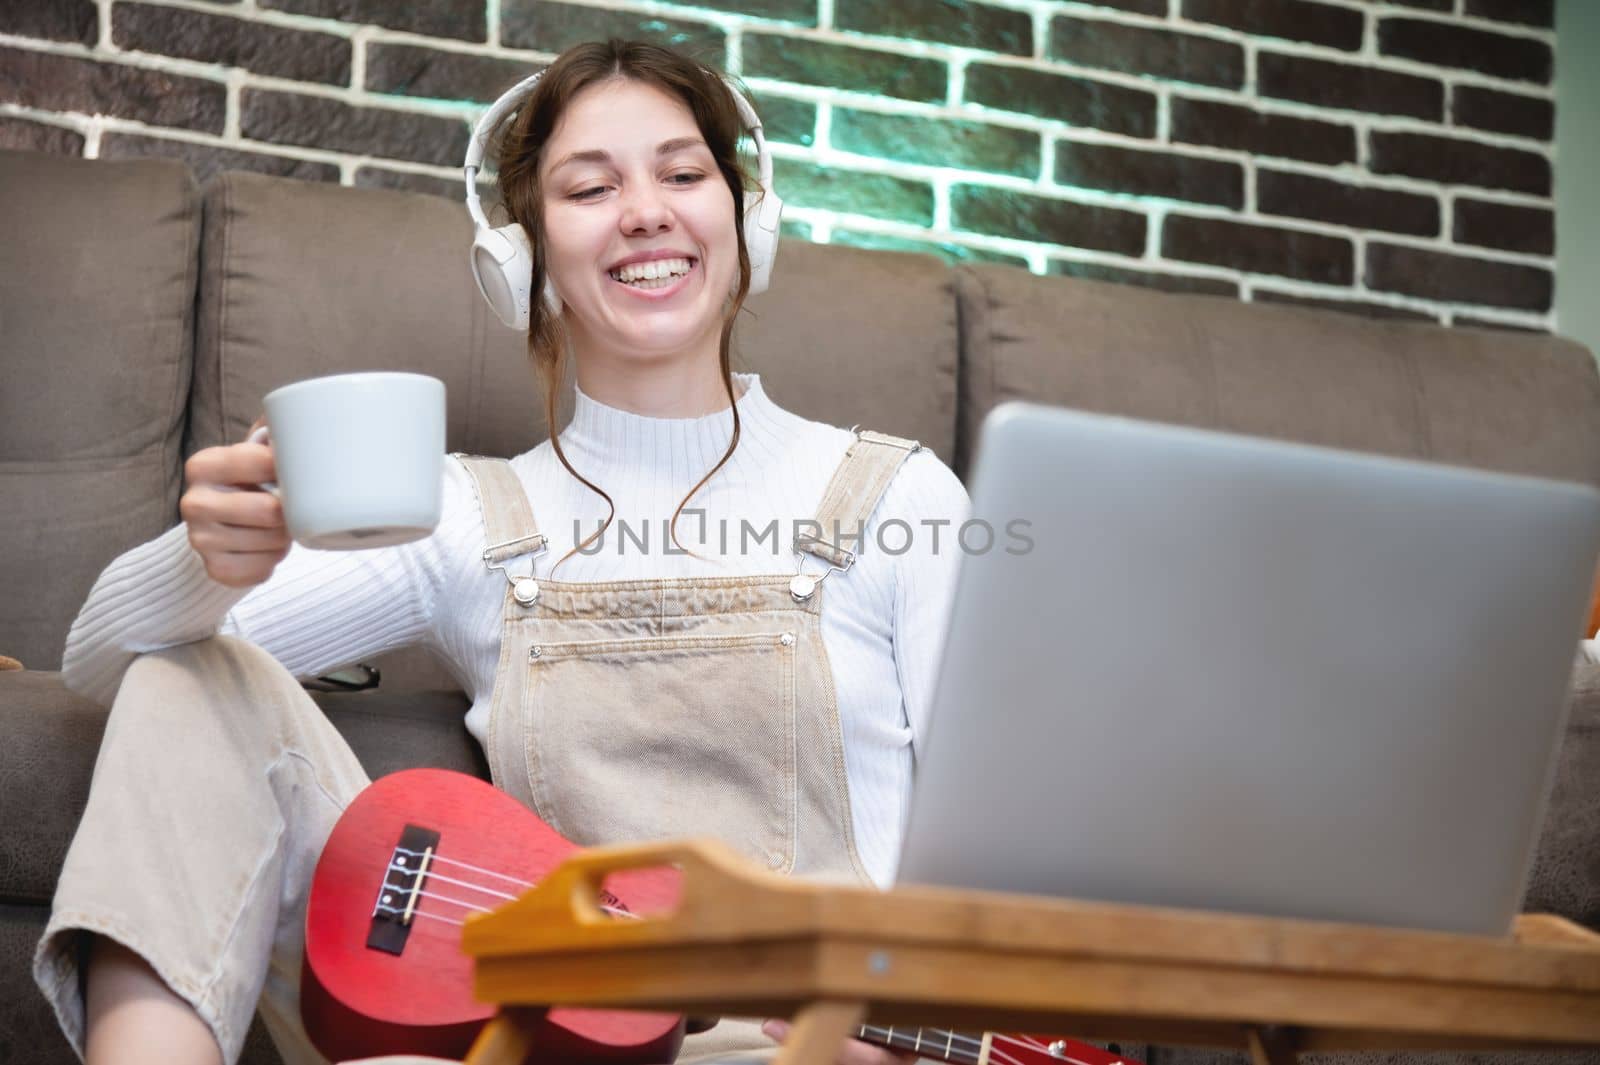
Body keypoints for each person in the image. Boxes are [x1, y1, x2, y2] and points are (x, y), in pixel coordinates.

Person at [34, 38, 969, 1065]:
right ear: (522, 261)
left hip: (821, 1044)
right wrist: (210, 559)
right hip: (545, 1032)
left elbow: (1004, 860)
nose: (646, 210)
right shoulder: (470, 515)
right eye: (589, 187)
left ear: (747, 224)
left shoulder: (894, 496)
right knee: (188, 678)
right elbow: (106, 665)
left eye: (683, 172)